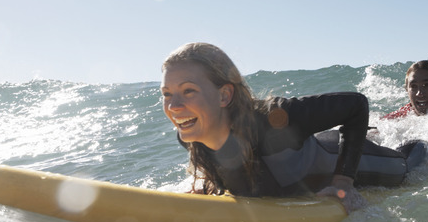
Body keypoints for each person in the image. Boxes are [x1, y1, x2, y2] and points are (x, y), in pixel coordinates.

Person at [160, 42, 407, 213]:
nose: (173, 106)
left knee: (414, 159)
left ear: (224, 95)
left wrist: (343, 181)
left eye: (188, 91)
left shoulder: (273, 120)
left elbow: (356, 104)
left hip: (376, 166)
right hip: (311, 156)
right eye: (167, 94)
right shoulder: (194, 135)